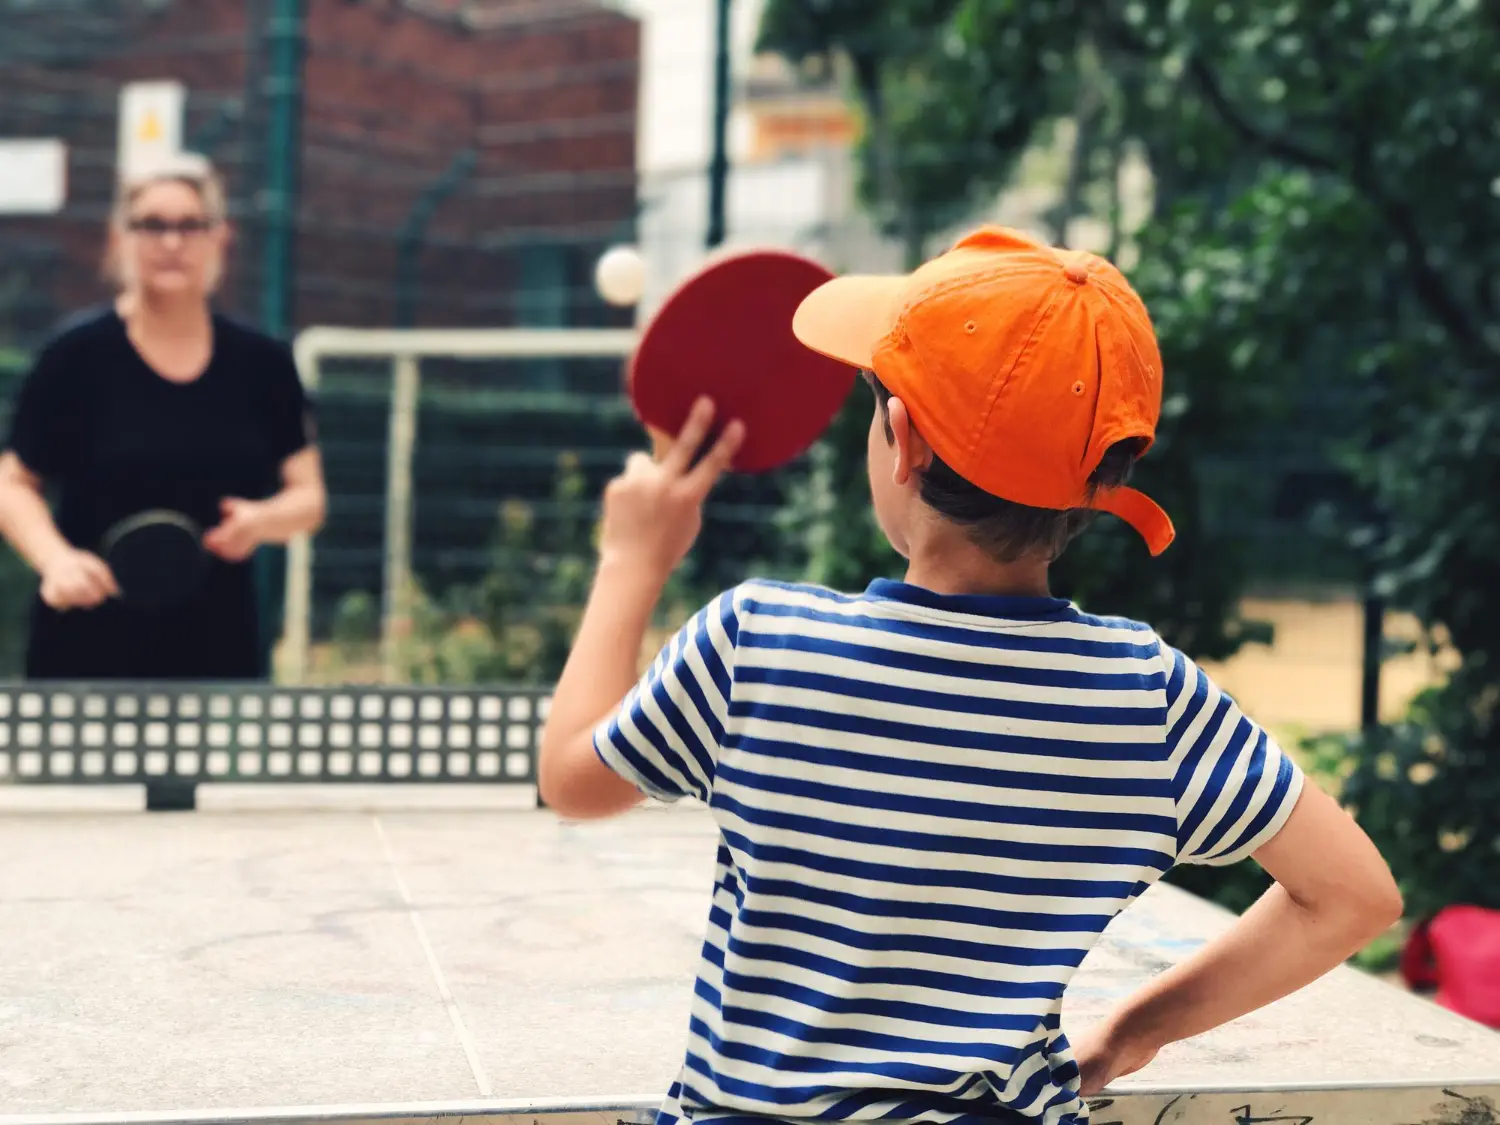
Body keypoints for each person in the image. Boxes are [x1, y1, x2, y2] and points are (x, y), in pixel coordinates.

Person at [536, 226, 1403, 1125]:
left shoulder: (756, 643)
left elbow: (571, 779)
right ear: (1097, 482)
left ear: (903, 441)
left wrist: (633, 560)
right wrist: (1129, 1034)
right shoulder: (1150, 699)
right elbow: (1355, 897)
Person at [0, 153, 326, 681]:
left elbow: (308, 498)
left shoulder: (263, 365)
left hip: (219, 648)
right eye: (151, 225)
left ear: (220, 236)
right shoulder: (74, 358)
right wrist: (55, 560)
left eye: (190, 225)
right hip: (85, 649)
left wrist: (261, 521)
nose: (172, 243)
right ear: (119, 237)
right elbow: (12, 483)